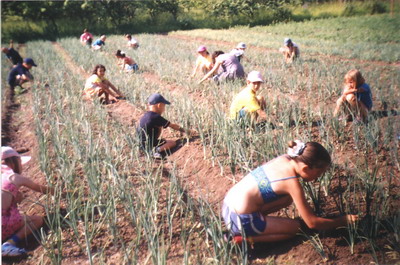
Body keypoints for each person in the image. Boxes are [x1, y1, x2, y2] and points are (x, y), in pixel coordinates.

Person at [222, 140, 359, 244]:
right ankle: (240, 239)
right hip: (241, 220)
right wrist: (341, 221)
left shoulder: (285, 159)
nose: (317, 178)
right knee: (297, 228)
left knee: (287, 198)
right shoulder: (291, 182)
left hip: (228, 206)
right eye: (318, 173)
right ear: (305, 168)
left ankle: (252, 224)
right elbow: (313, 223)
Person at [2, 146, 54, 257]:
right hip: (3, 225)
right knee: (37, 220)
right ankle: (8, 244)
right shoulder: (14, 177)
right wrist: (60, 191)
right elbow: (40, 189)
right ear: (13, 163)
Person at [137, 93, 194, 159]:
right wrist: (185, 131)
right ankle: (155, 151)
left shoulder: (146, 115)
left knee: (162, 137)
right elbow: (172, 126)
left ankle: (149, 150)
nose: (164, 109)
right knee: (172, 143)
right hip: (148, 145)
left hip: (141, 144)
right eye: (164, 106)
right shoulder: (156, 117)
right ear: (159, 105)